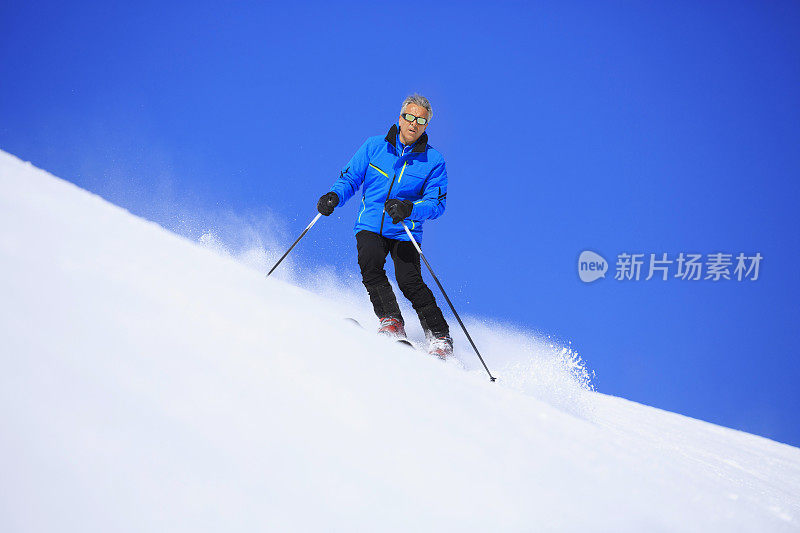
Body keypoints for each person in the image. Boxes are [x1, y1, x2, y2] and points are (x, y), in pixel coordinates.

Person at [316, 94, 453, 358]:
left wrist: (409, 208)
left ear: (426, 126)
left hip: (404, 230)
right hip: (370, 223)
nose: (414, 124)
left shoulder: (433, 161)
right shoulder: (374, 146)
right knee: (370, 265)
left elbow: (436, 204)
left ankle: (440, 336)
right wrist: (334, 196)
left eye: (421, 121)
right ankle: (391, 319)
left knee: (409, 281)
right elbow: (351, 178)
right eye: (410, 117)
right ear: (400, 118)